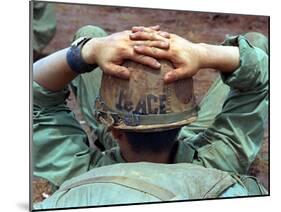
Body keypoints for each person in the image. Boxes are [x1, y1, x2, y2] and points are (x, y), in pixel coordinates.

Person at [32, 25, 268, 209]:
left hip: (119, 145)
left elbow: (34, 93)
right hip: (188, 153)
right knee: (255, 43)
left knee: (89, 35)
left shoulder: (81, 173)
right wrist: (201, 53)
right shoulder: (218, 163)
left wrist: (88, 51)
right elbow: (261, 73)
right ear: (187, 121)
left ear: (113, 131)